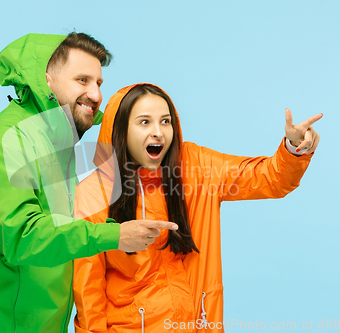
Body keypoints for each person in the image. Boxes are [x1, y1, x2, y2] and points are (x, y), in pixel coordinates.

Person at [0, 34, 177, 333]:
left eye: (98, 83)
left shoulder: (54, 143)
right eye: (82, 80)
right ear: (47, 80)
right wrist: (114, 236)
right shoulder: (5, 140)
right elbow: (23, 237)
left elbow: (61, 227)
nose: (96, 94)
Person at [73, 83, 321, 332]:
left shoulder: (197, 167)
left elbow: (269, 179)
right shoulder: (94, 192)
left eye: (165, 121)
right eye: (144, 122)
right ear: (121, 130)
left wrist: (293, 149)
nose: (158, 132)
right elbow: (88, 290)